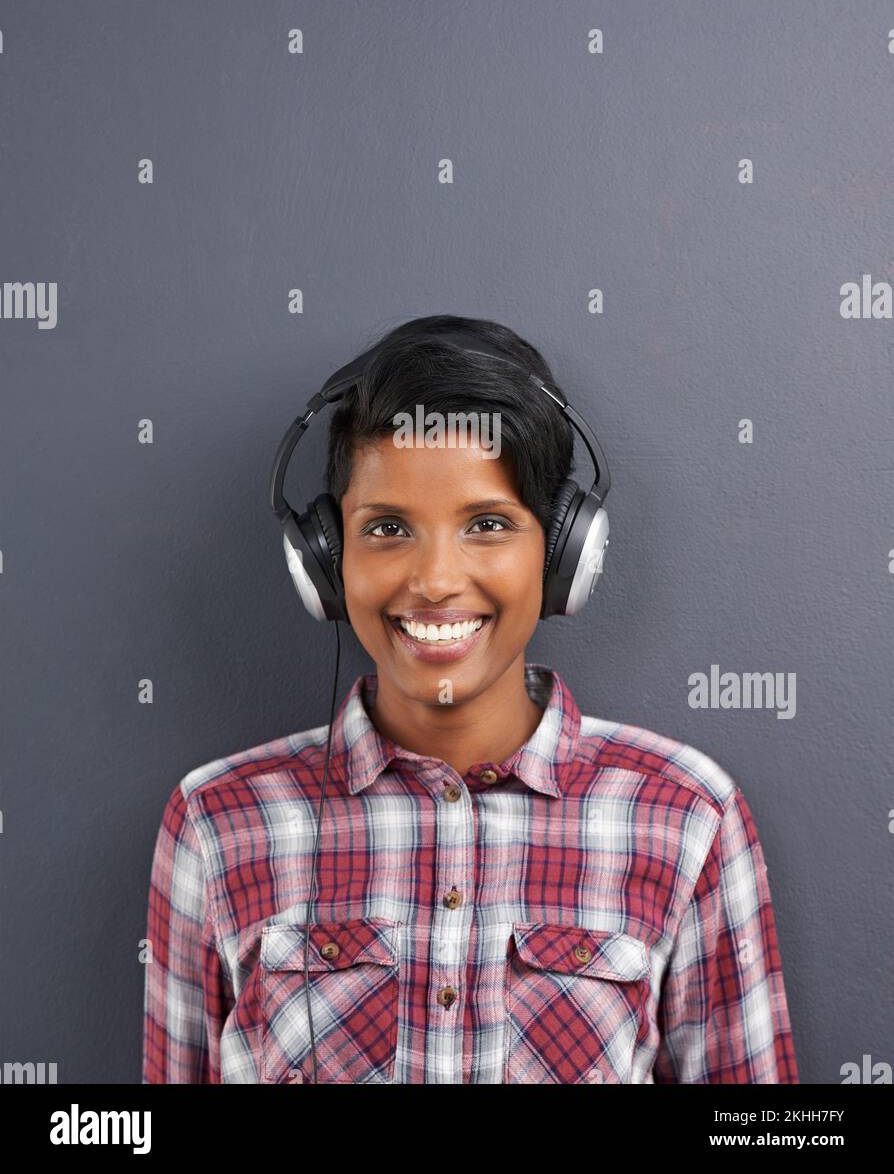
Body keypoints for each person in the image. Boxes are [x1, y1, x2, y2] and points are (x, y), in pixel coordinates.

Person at [142, 314, 799, 1083]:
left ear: (561, 554)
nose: (435, 581)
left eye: (487, 524)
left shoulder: (688, 818)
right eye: (387, 528)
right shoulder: (218, 824)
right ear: (326, 558)